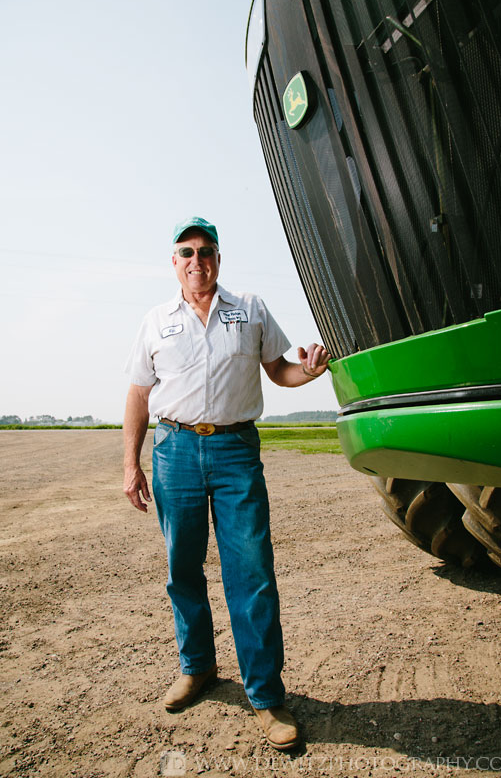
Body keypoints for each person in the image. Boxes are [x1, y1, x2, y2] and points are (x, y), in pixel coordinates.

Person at [123, 216, 331, 750]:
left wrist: (308, 371)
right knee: (182, 566)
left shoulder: (251, 309)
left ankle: (265, 696)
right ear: (174, 262)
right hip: (175, 451)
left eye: (206, 250)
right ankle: (197, 669)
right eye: (187, 252)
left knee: (252, 572)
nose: (198, 260)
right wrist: (131, 463)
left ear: (219, 258)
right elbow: (140, 396)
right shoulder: (155, 321)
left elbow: (280, 371)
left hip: (237, 450)